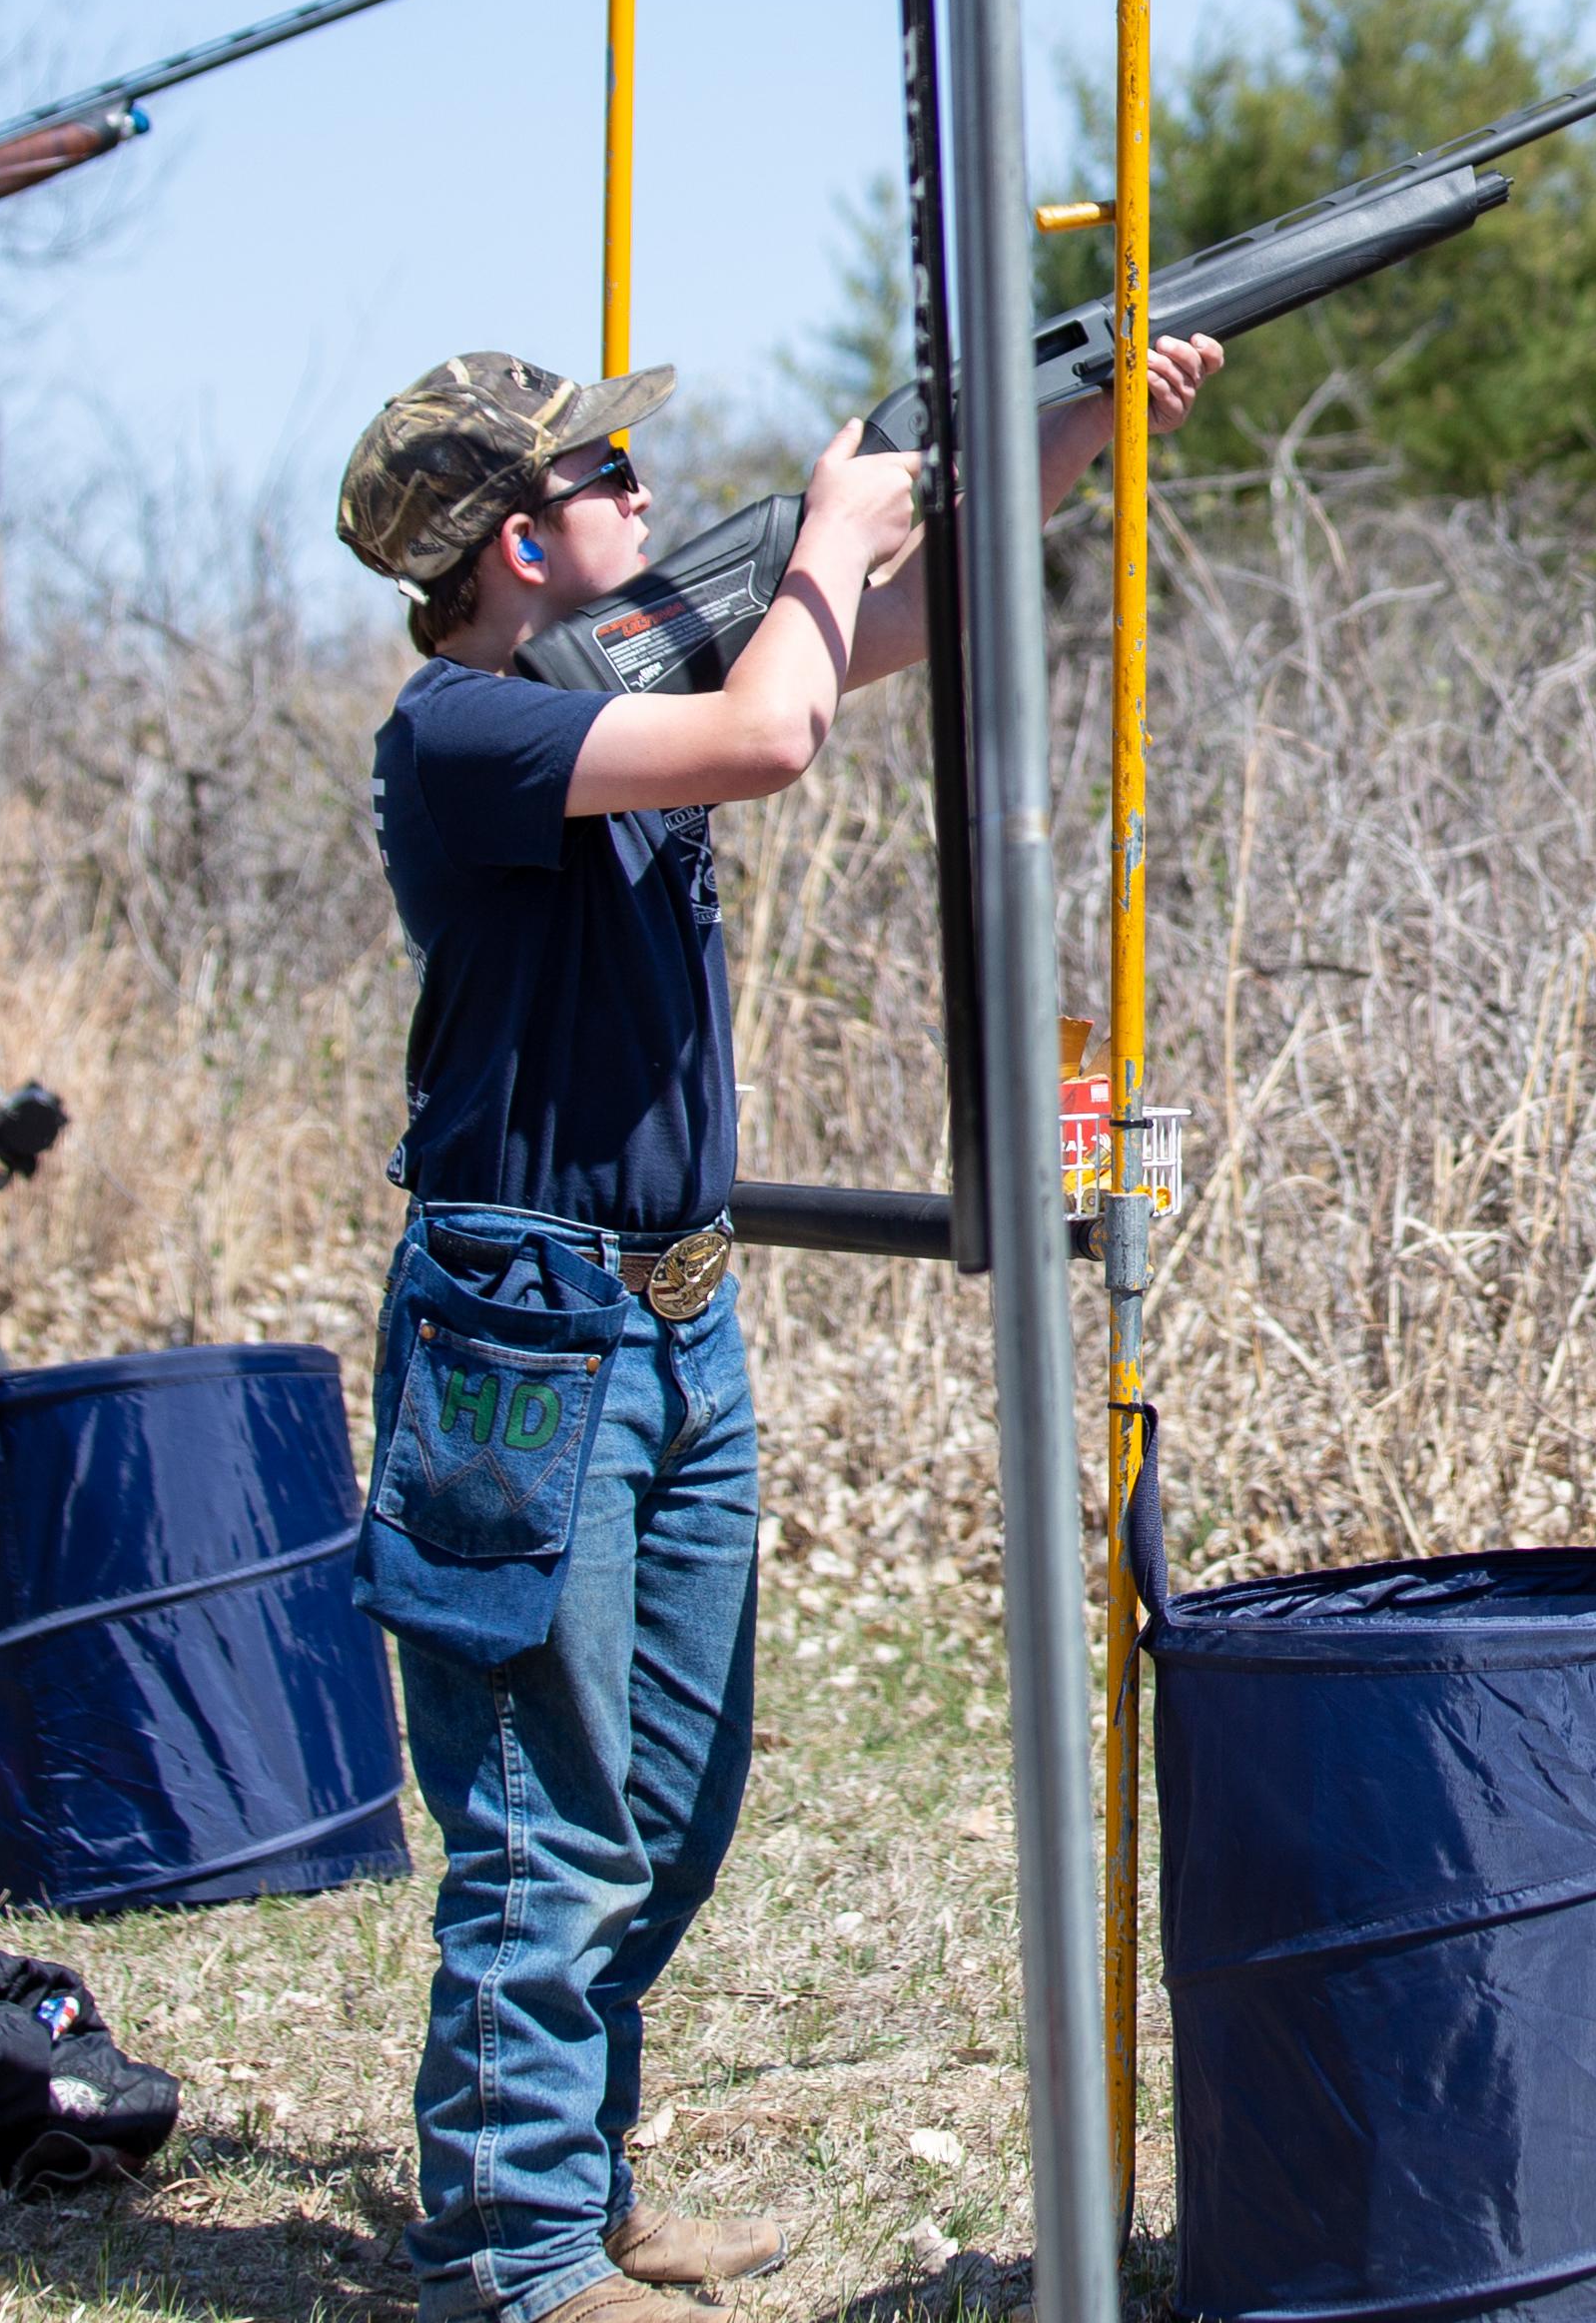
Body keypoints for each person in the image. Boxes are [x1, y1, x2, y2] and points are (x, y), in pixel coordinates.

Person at [334, 330, 1216, 2323]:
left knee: (665, 1790)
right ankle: (508, 2252)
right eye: (597, 477)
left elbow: (908, 624)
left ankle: (574, 2188)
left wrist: (1067, 433)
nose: (635, 488)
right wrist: (829, 525)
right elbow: (779, 731)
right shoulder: (462, 730)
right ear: (506, 543)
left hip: (672, 1316)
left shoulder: (614, 670)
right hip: (522, 1315)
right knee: (545, 1809)